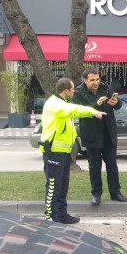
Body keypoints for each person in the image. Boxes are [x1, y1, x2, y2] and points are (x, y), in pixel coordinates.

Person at [39, 78, 106, 224]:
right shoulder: (56, 105)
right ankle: (51, 217)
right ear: (66, 91)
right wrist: (93, 112)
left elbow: (73, 109)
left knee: (62, 186)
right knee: (54, 187)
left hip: (62, 152)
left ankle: (61, 215)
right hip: (54, 152)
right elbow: (75, 110)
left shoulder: (60, 102)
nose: (74, 91)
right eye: (72, 89)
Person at [72, 68, 127, 206]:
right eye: (92, 80)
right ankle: (96, 194)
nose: (96, 82)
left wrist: (116, 103)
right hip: (91, 134)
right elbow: (78, 111)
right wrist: (96, 104)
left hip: (108, 133)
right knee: (94, 167)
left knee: (112, 166)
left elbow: (118, 105)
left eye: (97, 79)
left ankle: (115, 192)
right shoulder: (78, 92)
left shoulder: (106, 88)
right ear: (85, 80)